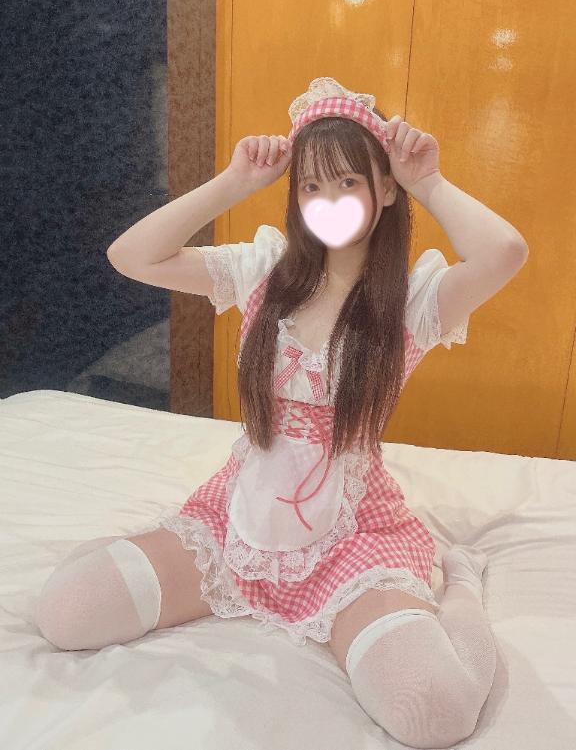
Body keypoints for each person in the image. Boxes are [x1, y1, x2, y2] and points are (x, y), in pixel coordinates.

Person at [35, 77, 497, 748]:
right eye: (311, 186)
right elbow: (129, 255)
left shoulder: (412, 298)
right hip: (238, 519)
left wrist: (427, 180)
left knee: (435, 712)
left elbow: (504, 254)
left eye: (347, 181)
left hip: (350, 538)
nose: (327, 201)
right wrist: (233, 182)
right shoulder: (263, 271)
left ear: (385, 188)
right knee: (65, 612)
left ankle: (462, 584)